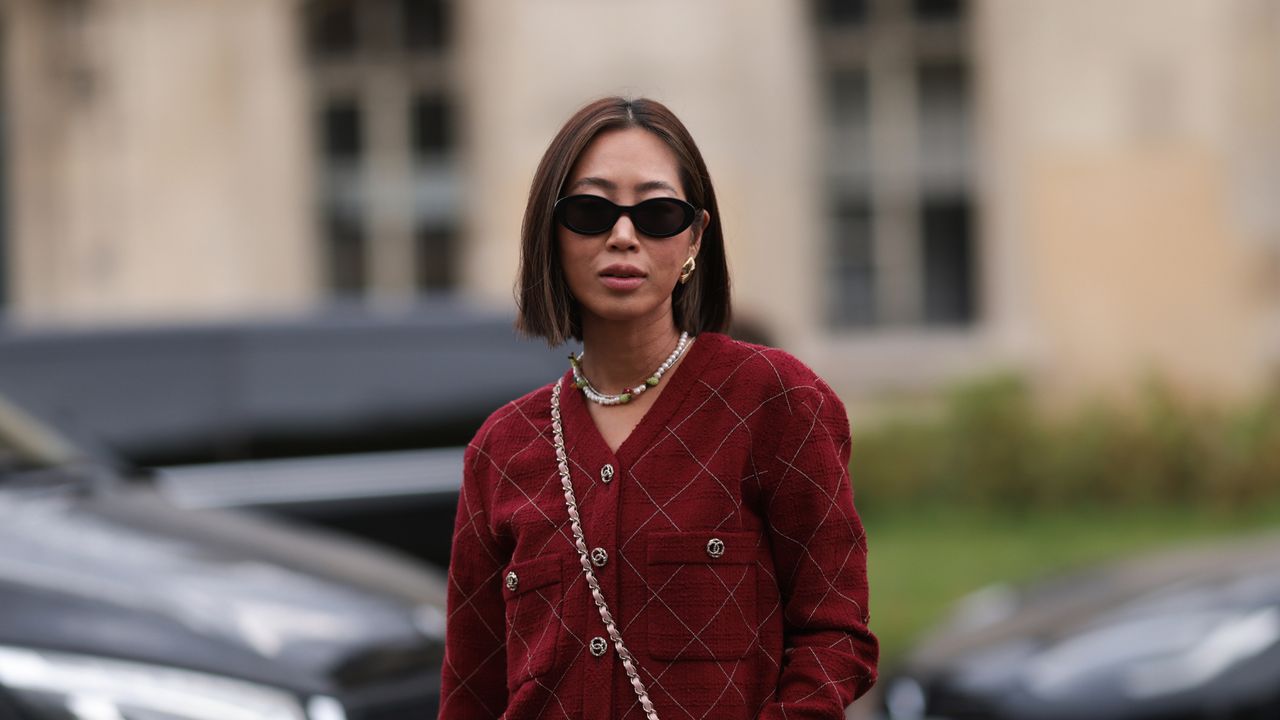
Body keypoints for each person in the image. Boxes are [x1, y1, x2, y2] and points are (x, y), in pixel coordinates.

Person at [439, 97, 877, 720]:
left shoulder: (775, 403)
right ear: (551, 234)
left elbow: (837, 635)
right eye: (590, 211)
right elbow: (469, 693)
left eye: (657, 213)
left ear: (695, 236)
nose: (623, 236)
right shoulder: (501, 450)